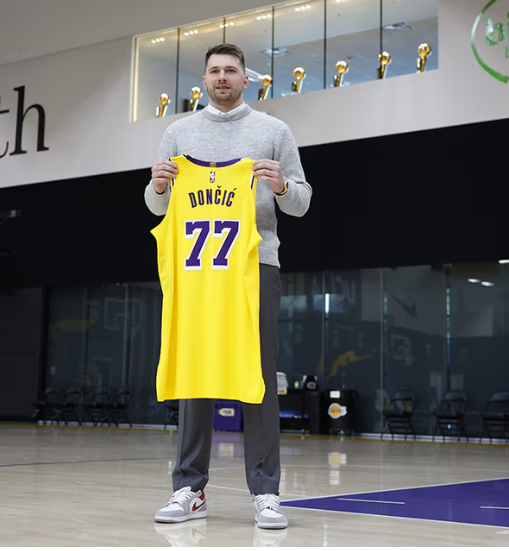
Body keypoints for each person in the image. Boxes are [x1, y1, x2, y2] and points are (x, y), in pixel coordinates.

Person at [144, 43, 312, 530]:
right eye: (214, 71)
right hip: (197, 270)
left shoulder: (273, 131)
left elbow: (302, 202)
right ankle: (188, 488)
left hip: (255, 265)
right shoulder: (177, 132)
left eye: (231, 71)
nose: (222, 77)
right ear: (204, 79)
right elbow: (157, 208)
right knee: (195, 373)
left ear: (246, 79)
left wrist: (281, 186)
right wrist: (157, 186)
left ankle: (265, 492)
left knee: (257, 376)